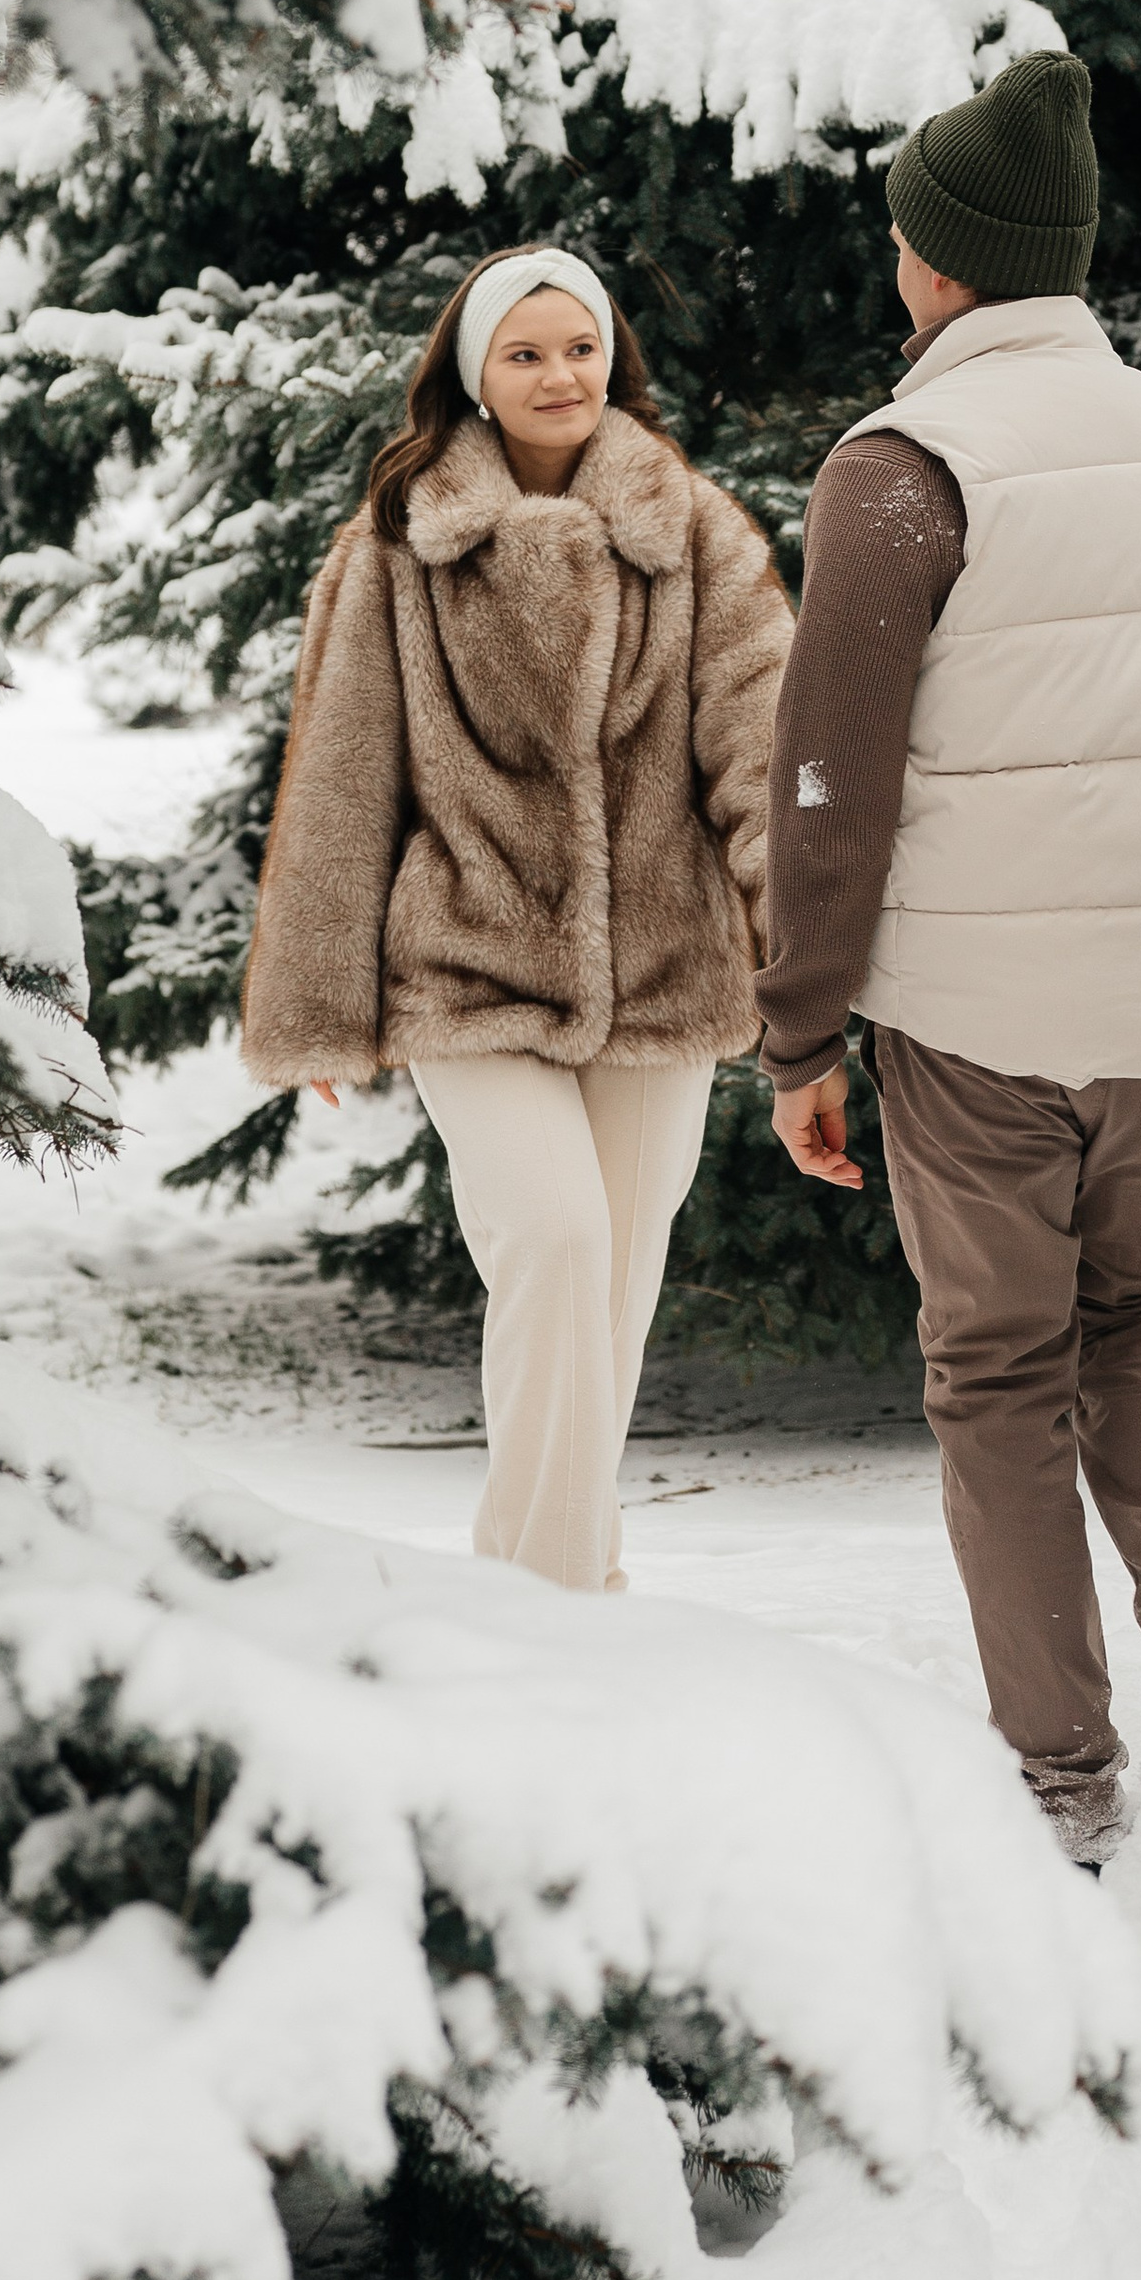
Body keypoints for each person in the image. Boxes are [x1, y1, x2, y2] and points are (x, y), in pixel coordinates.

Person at [755, 54, 1141, 1860]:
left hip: (984, 1018)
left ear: (940, 261)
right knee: (1134, 1309)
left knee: (997, 1367)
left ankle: (1061, 1793)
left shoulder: (905, 467)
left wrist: (799, 1039)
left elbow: (832, 780)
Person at [240, 248, 791, 1594]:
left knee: (615, 1281)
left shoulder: (693, 527)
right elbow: (344, 776)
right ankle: (545, 1598)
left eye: (582, 349)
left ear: (615, 360)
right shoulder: (399, 542)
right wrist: (314, 996)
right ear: (474, 376)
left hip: (665, 972)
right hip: (467, 963)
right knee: (553, 1238)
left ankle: (559, 1579)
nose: (560, 376)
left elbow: (763, 747)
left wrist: (802, 947)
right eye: (526, 353)